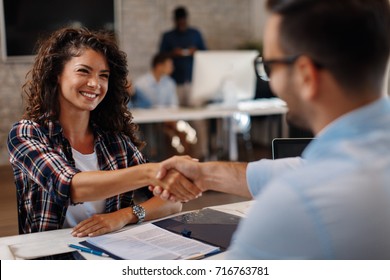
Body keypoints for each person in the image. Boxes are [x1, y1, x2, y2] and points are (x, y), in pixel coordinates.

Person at [152, 0, 390, 259]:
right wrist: (204, 174)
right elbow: (300, 168)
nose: (270, 80)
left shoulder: (294, 206)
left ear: (305, 76)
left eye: (270, 66)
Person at [6, 27, 194, 237]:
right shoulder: (26, 134)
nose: (95, 84)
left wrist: (124, 216)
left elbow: (172, 202)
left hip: (110, 256)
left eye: (103, 76)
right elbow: (69, 187)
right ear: (57, 74)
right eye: (83, 71)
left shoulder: (115, 142)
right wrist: (151, 172)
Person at [159, 6, 206, 106]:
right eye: (179, 21)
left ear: (186, 19)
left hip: (193, 79)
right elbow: (160, 56)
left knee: (196, 115)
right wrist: (173, 53)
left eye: (183, 21)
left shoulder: (195, 34)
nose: (181, 24)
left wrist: (196, 51)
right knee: (176, 112)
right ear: (175, 21)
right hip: (174, 81)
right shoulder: (168, 36)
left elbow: (205, 53)